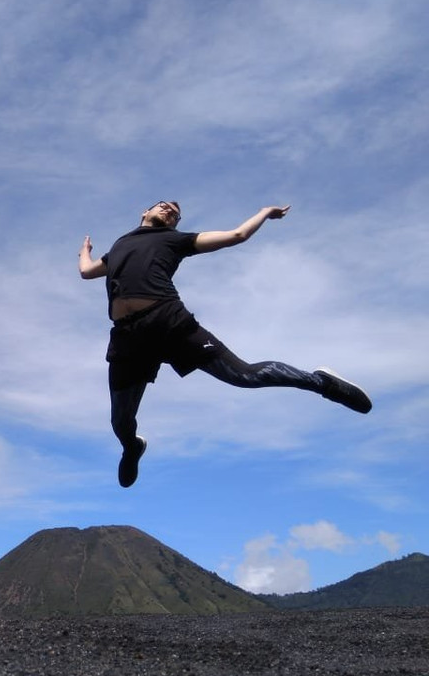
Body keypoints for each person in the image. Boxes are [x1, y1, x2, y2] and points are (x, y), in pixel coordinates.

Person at [79, 201, 371, 488]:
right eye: (163, 206)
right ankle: (132, 448)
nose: (169, 211)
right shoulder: (118, 246)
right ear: (146, 211)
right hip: (128, 337)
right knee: (121, 419)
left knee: (245, 376)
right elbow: (88, 272)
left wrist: (264, 213)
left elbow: (236, 235)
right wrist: (85, 253)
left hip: (169, 322)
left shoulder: (174, 240)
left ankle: (321, 382)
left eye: (175, 214)